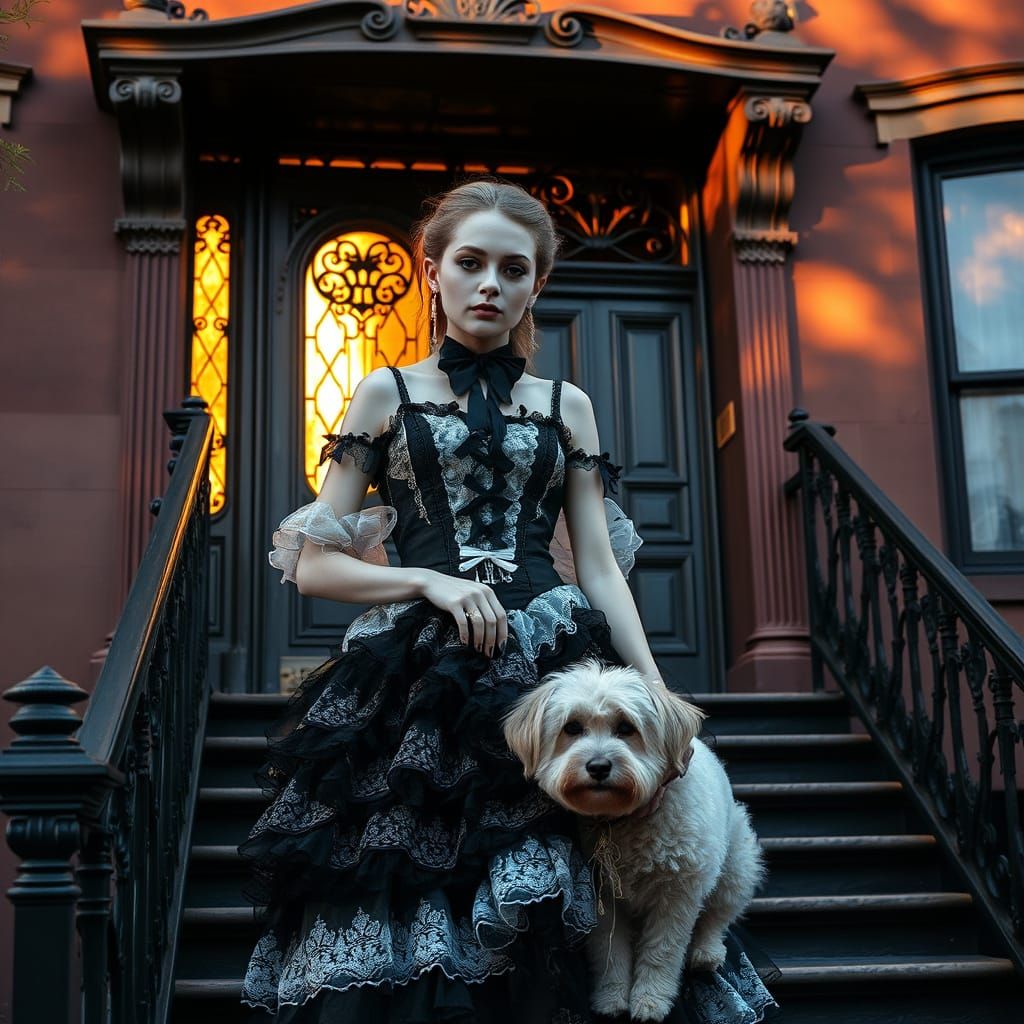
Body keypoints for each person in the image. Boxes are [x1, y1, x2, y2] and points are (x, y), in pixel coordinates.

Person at [237, 178, 779, 1023]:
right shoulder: (384, 392)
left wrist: (655, 690)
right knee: (430, 878)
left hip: (552, 661)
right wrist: (428, 580)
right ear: (432, 272)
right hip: (420, 678)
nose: (490, 283)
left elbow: (598, 568)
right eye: (470, 263)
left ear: (538, 284)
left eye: (513, 269)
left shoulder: (568, 407)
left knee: (584, 881)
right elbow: (312, 567)